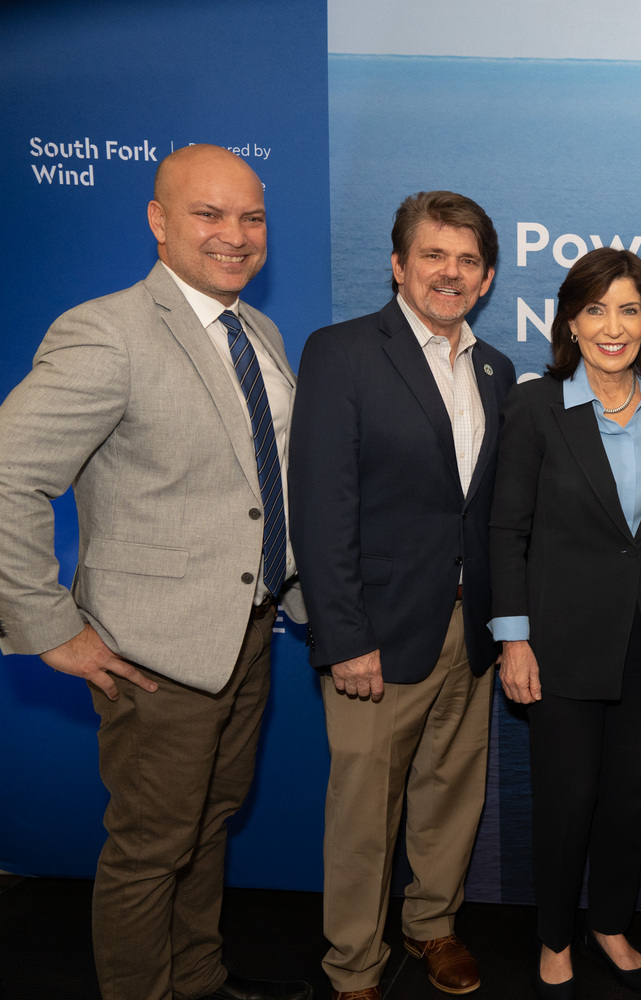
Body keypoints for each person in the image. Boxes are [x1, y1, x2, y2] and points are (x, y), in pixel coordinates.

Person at [0, 144, 309, 1000]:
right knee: (150, 848)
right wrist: (49, 626)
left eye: (251, 217)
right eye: (209, 215)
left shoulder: (259, 330)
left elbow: (260, 485)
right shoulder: (108, 330)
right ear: (159, 220)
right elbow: (7, 473)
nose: (235, 236)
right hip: (155, 657)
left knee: (208, 825)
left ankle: (198, 979)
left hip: (246, 633)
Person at [288, 191, 515, 1000]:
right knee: (363, 812)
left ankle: (432, 926)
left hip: (470, 628)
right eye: (433, 256)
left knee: (452, 792)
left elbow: (486, 511)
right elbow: (320, 506)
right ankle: (353, 963)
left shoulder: (495, 370)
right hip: (376, 633)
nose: (449, 274)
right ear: (398, 265)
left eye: (466, 261)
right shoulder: (343, 352)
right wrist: (344, 636)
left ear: (485, 278)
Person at [489, 247, 641, 1000]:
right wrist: (512, 638)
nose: (613, 327)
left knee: (629, 799)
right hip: (558, 645)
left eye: (629, 309)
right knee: (567, 799)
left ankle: (609, 922)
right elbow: (506, 531)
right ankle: (555, 933)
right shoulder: (534, 407)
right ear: (570, 322)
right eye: (596, 310)